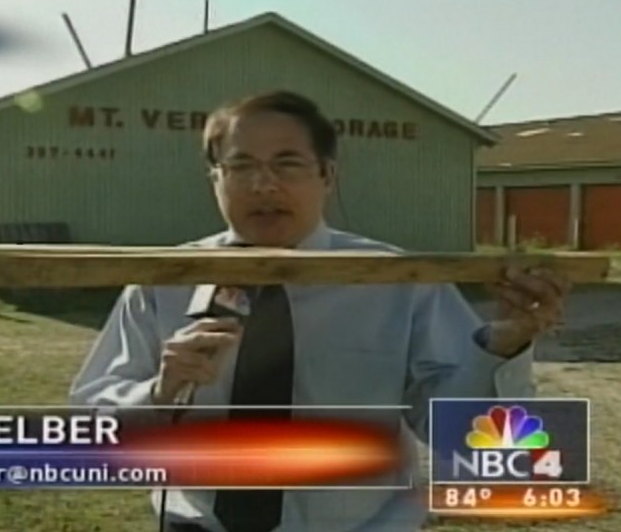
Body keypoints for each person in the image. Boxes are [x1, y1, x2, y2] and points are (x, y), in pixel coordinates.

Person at [69, 90, 570, 532]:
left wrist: (504, 344)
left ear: (327, 175)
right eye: (240, 167)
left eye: (287, 164)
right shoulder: (164, 283)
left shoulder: (396, 283)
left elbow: (463, 434)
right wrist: (158, 393)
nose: (263, 186)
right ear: (214, 180)